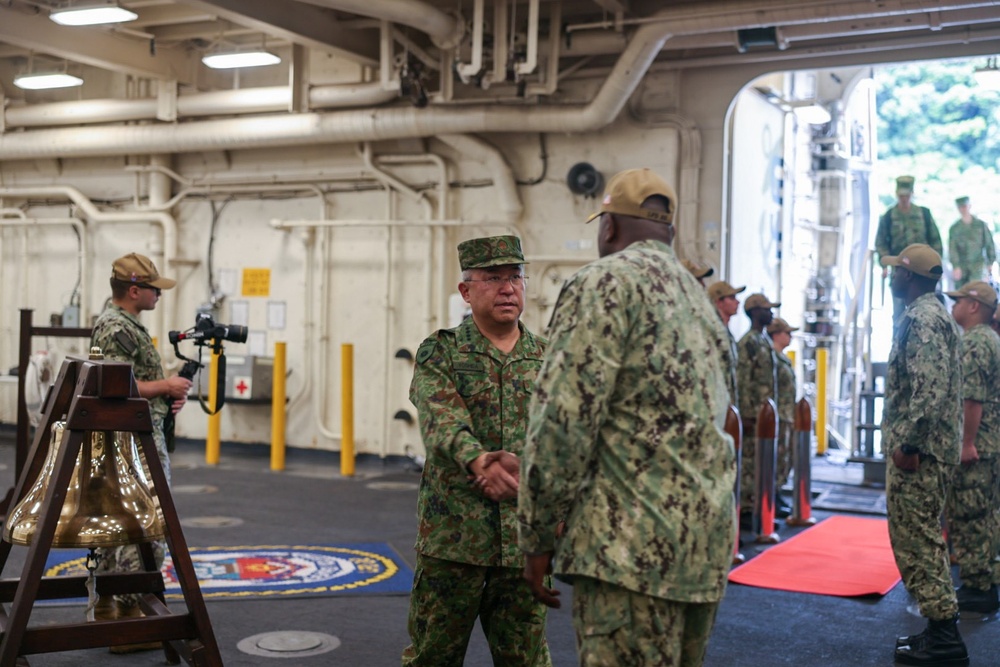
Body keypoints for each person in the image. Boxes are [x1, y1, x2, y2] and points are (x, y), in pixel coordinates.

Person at [518, 168, 735, 666]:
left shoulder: (603, 284)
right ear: (670, 231)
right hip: (701, 554)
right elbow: (725, 421)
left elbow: (562, 424)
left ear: (609, 227)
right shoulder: (702, 306)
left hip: (628, 556)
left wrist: (535, 537)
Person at [402, 235, 551, 667]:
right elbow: (441, 419)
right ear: (466, 291)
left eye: (515, 277)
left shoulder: (547, 357)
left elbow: (562, 442)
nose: (508, 288)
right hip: (455, 541)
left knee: (527, 659)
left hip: (524, 540)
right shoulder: (441, 351)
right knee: (434, 656)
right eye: (493, 278)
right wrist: (478, 459)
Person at [89, 253, 192, 651]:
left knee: (124, 522)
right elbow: (116, 388)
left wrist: (165, 395)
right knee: (144, 524)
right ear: (134, 291)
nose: (158, 296)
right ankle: (128, 622)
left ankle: (111, 611)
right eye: (153, 289)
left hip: (136, 434)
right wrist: (164, 387)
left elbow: (132, 381)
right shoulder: (117, 328)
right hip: (133, 442)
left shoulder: (121, 324)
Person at [880, 244, 967, 666]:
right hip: (932, 449)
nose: (892, 275)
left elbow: (928, 392)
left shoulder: (922, 319)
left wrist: (908, 445)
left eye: (897, 270)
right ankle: (937, 629)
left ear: (909, 277)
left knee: (919, 541)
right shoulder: (935, 315)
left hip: (920, 454)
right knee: (921, 538)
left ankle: (945, 637)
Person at [944, 280, 1000, 614]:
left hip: (980, 444)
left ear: (975, 306)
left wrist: (966, 443)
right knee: (988, 513)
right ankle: (987, 579)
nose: (955, 306)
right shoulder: (991, 338)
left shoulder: (977, 342)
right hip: (991, 443)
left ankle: (978, 584)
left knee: (970, 514)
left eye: (960, 301)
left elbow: (972, 397)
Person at [875, 176, 944, 333]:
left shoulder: (923, 214)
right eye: (901, 196)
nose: (904, 199)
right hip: (899, 273)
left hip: (922, 273)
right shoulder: (888, 217)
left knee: (927, 310)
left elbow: (936, 242)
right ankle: (899, 348)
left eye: (906, 195)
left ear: (912, 194)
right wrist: (885, 264)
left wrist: (934, 268)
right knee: (899, 313)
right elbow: (881, 243)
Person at [736, 292, 783, 519]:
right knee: (748, 462)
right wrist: (745, 412)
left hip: (764, 413)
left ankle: (758, 505)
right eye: (767, 309)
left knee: (761, 460)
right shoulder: (749, 342)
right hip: (752, 413)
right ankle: (745, 507)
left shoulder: (763, 340)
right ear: (755, 312)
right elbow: (743, 378)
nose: (771, 313)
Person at [766, 317, 799, 506]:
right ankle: (771, 495)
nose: (790, 337)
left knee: (784, 457)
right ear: (776, 334)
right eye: (787, 333)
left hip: (786, 415)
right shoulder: (772, 358)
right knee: (776, 456)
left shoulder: (783, 358)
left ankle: (777, 491)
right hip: (778, 415)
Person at [707, 280, 746, 407]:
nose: (737, 302)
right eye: (732, 298)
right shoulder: (711, 331)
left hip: (728, 403)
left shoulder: (727, 334)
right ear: (719, 302)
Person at [948, 196, 996, 289]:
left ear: (969, 206)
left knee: (977, 292)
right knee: (962, 294)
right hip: (962, 267)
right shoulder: (955, 228)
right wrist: (956, 266)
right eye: (960, 207)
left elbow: (989, 244)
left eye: (965, 206)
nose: (963, 209)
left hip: (978, 265)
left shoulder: (980, 225)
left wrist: (990, 262)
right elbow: (952, 249)